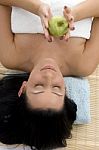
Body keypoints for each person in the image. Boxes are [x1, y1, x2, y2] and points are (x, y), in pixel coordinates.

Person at [0, 0, 99, 149]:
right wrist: (75, 14)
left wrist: (36, 7)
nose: (49, 76)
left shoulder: (10, 56)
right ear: (66, 91)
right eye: (57, 88)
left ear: (23, 88)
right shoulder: (83, 64)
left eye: (39, 86)